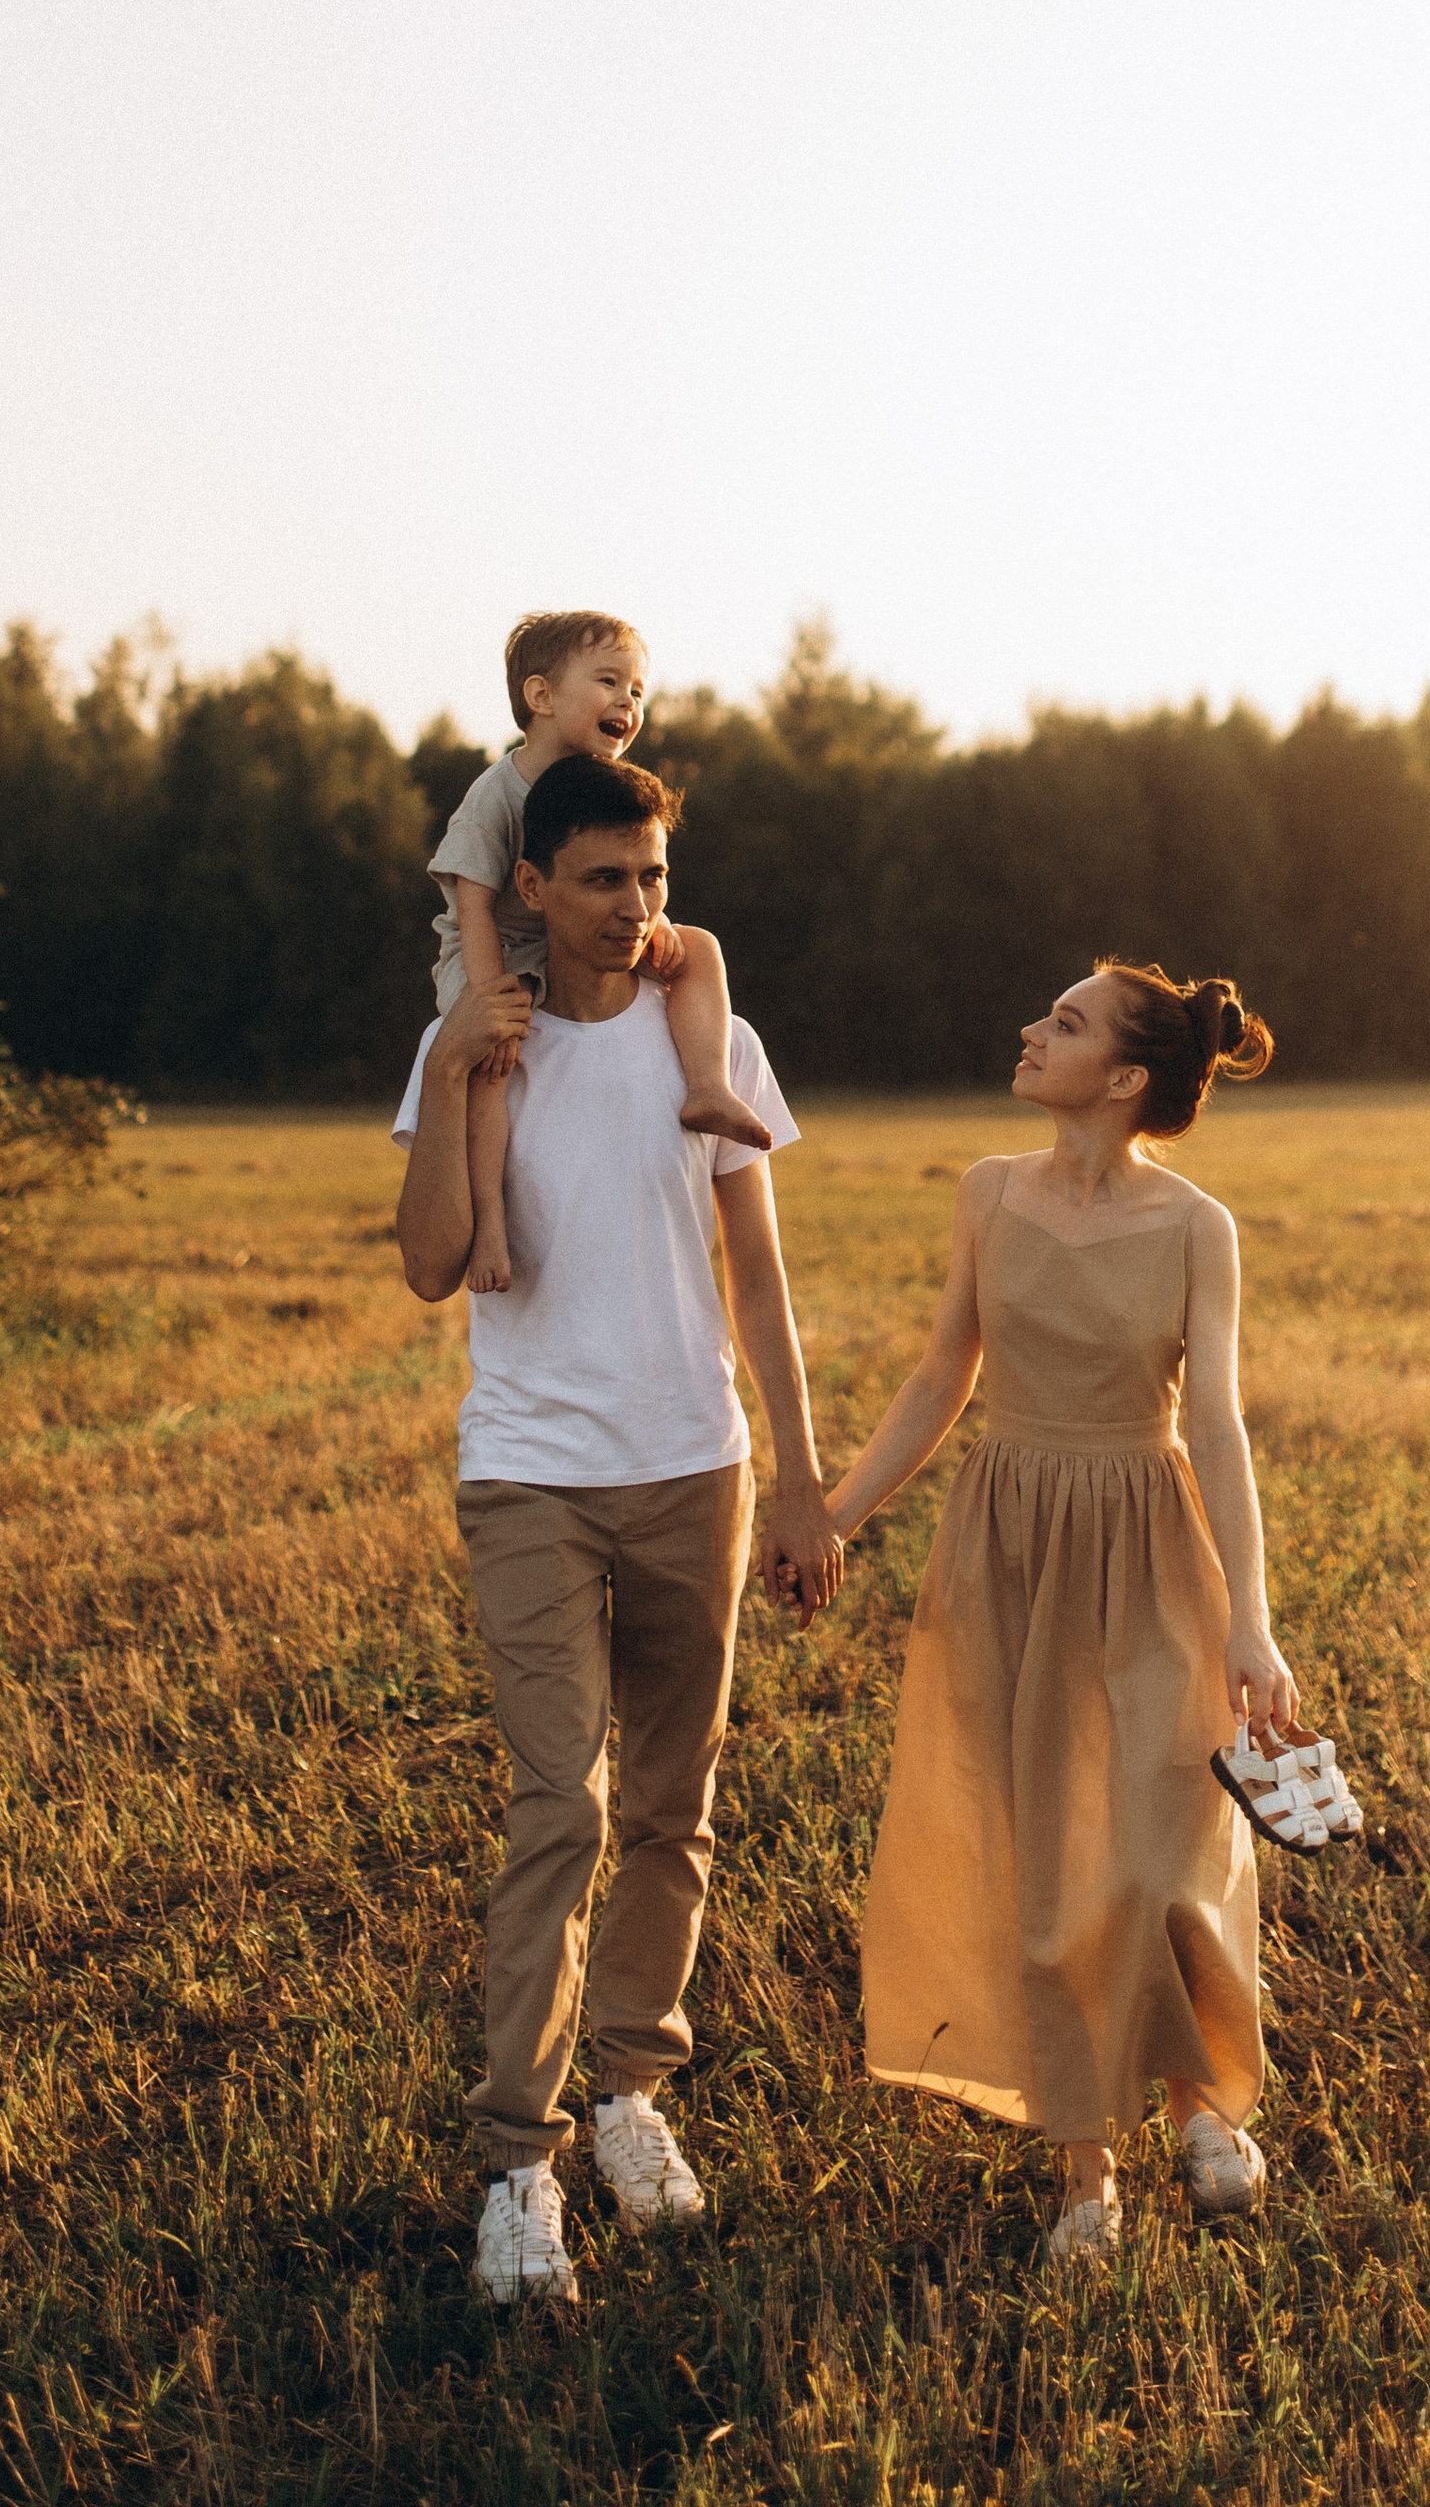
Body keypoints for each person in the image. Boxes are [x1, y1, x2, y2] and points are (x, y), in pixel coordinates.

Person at [395, 751, 843, 2307]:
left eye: (655, 879)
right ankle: (518, 2166)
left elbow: (762, 1279)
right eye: (604, 880)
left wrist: (798, 1477)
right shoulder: (472, 1046)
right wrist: (459, 1072)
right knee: (557, 1808)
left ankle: (632, 2097)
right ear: (530, 888)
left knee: (673, 1804)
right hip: (529, 1469)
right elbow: (435, 1264)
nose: (637, 910)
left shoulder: (710, 1037)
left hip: (694, 1466)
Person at [819, 960, 1292, 2262]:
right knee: (1051, 1874)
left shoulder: (1199, 1226)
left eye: (1066, 1024)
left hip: (1148, 1541)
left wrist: (1252, 1621)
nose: (1033, 1031)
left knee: (1162, 1849)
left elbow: (1217, 1423)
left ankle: (1203, 2103)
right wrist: (837, 1512)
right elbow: (938, 1379)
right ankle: (1089, 2173)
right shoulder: (988, 1194)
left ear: (1125, 1079)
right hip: (1009, 1545)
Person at [428, 610, 772, 1295]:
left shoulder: (609, 787)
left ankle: (708, 1087)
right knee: (494, 1074)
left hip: (584, 940)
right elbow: (472, 905)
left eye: (638, 691)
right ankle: (491, 1221)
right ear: (541, 697)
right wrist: (490, 1005)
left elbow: (639, 867)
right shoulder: (496, 794)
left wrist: (653, 920)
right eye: (609, 682)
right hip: (493, 952)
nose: (628, 702)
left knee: (699, 950)